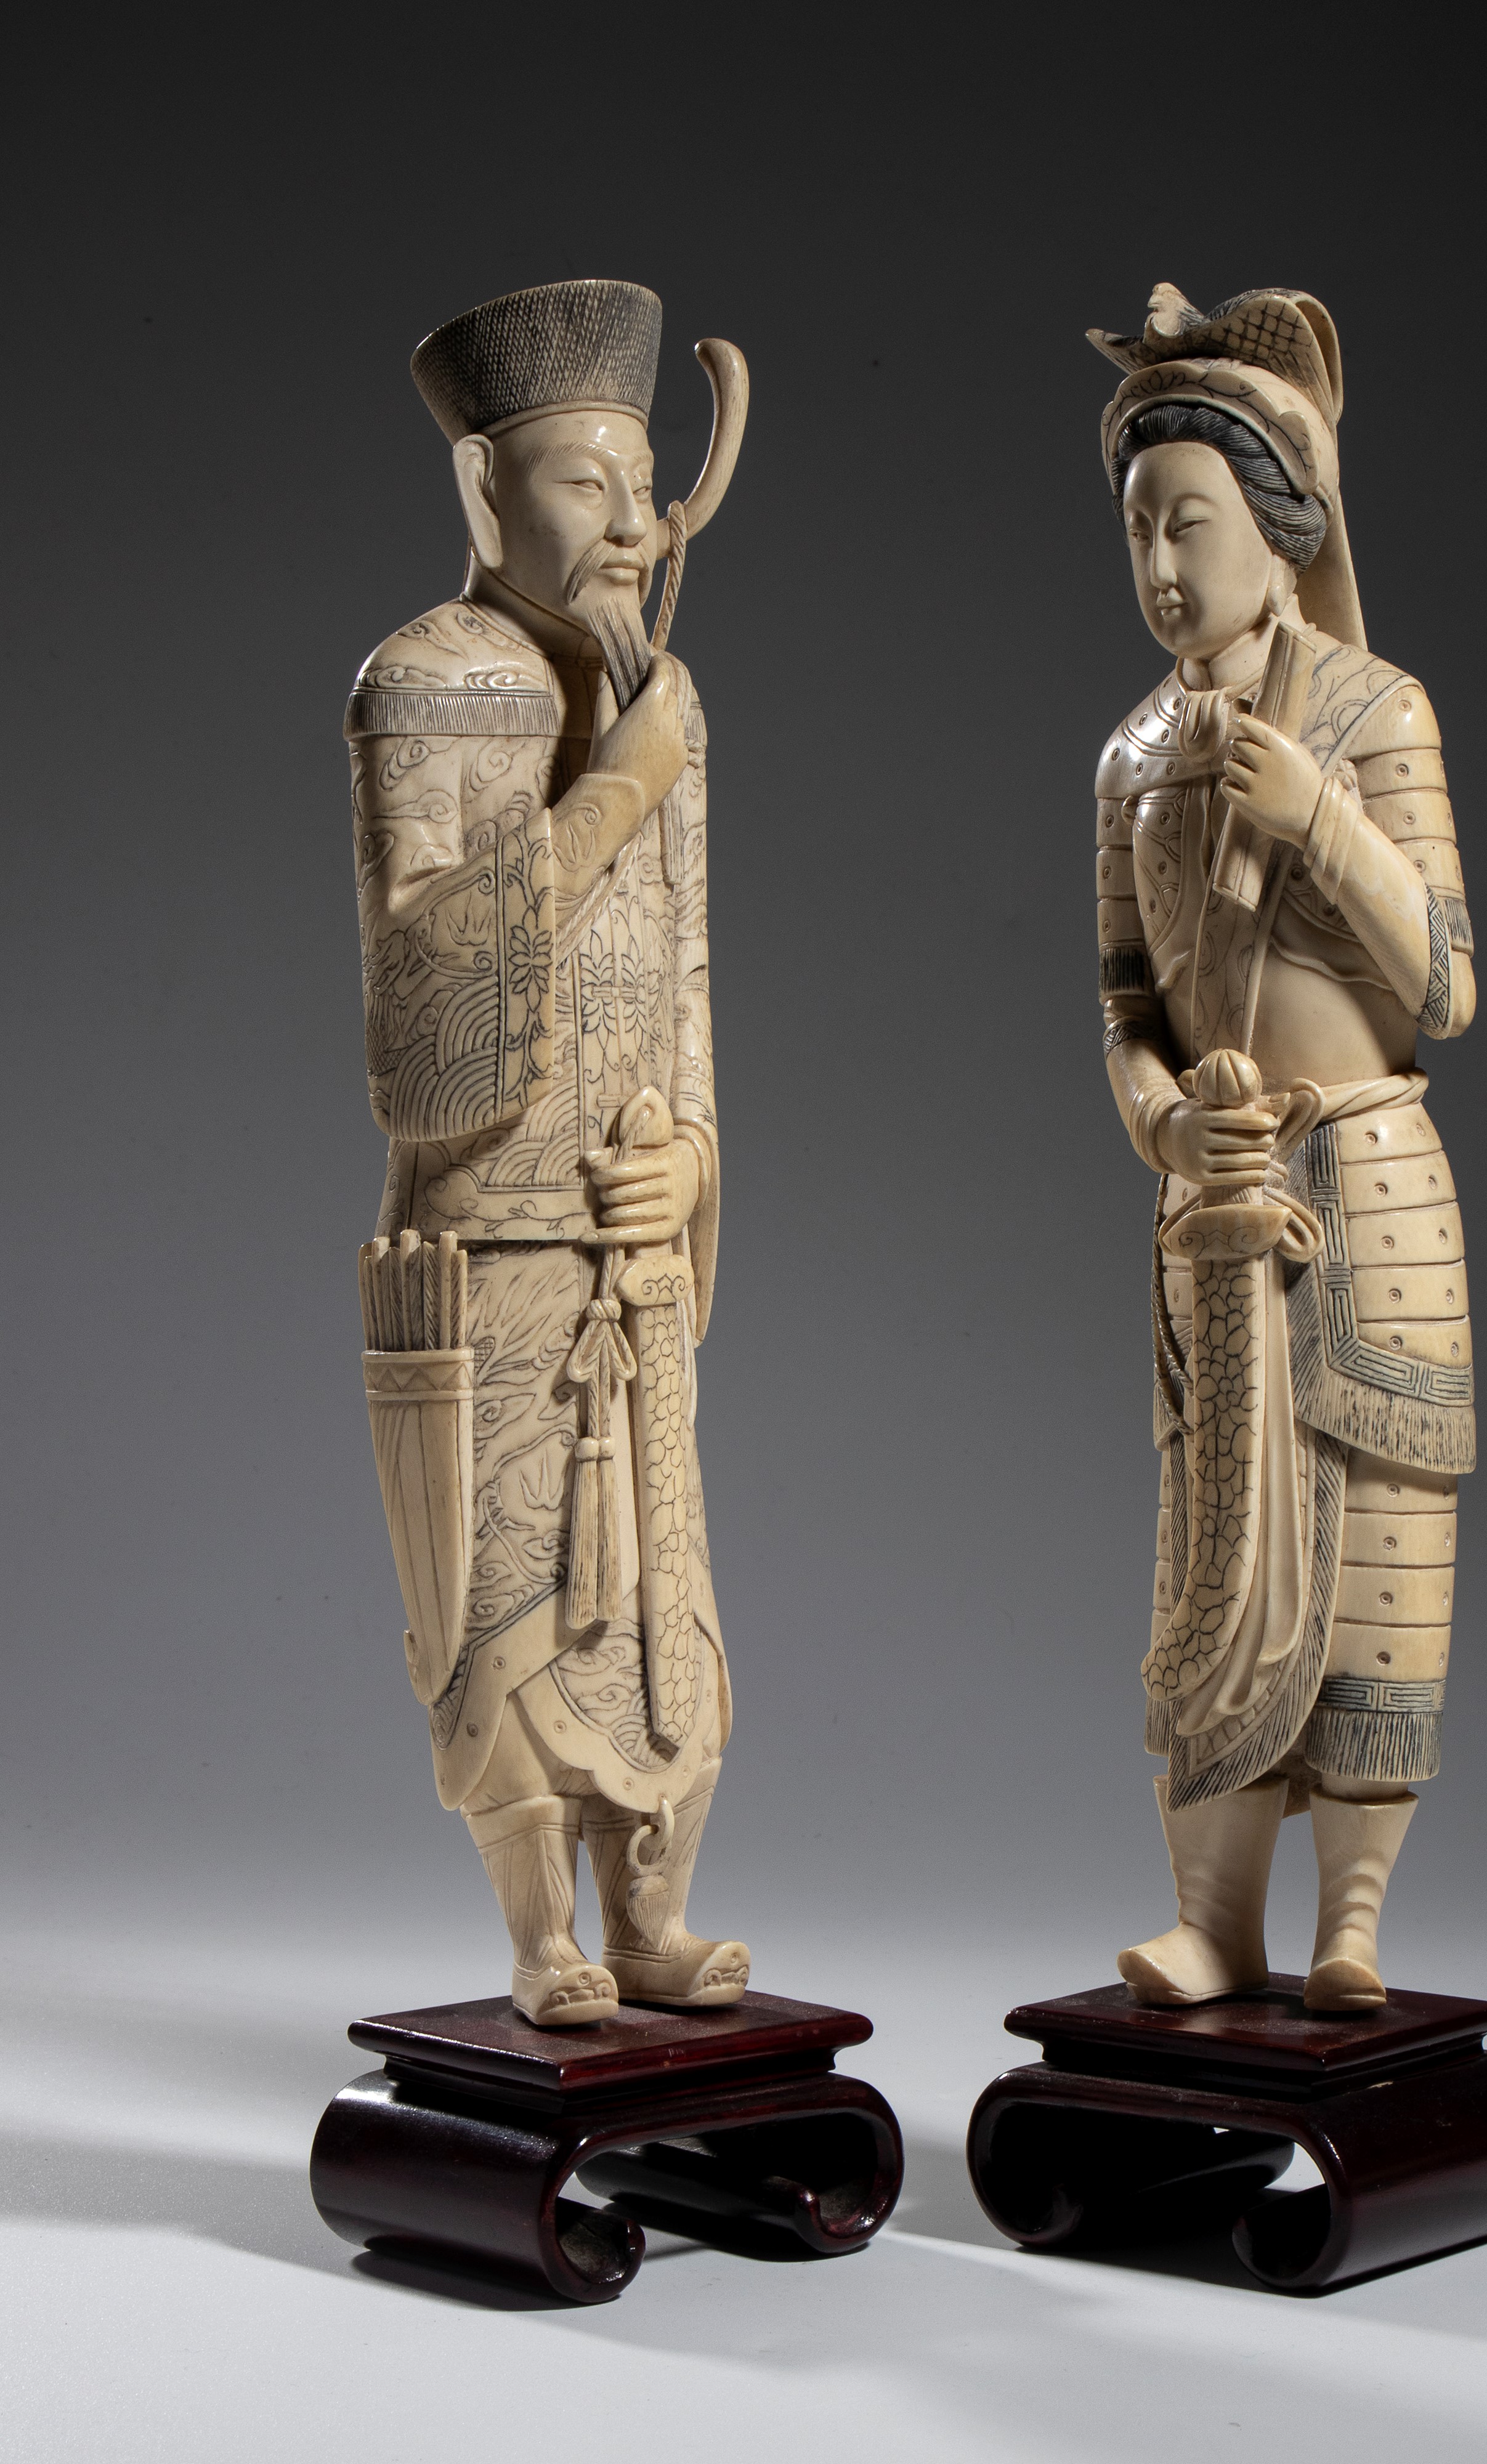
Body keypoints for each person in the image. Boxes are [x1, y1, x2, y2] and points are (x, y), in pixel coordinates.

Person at [347, 279, 747, 2025]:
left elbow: (689, 993)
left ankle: (652, 1913)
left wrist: (695, 1167)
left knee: (653, 1606)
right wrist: (617, 786)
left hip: (629, 1247)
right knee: (501, 1603)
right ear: (481, 489)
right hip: (491, 1236)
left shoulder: (666, 702)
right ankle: (539, 1936)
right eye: (587, 484)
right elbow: (426, 1014)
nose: (633, 524)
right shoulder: (424, 687)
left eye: (645, 485)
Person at [1088, 285, 1477, 2011]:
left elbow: (1448, 983)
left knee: (1381, 1554)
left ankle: (1353, 1925)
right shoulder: (1127, 758)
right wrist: (1167, 1118)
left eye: (1192, 523)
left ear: (1280, 529)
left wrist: (1314, 815)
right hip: (1222, 1204)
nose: (1162, 564)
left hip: (1371, 1186)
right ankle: (1215, 1920)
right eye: (1138, 529)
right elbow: (1123, 1011)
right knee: (1215, 1565)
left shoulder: (1379, 714)